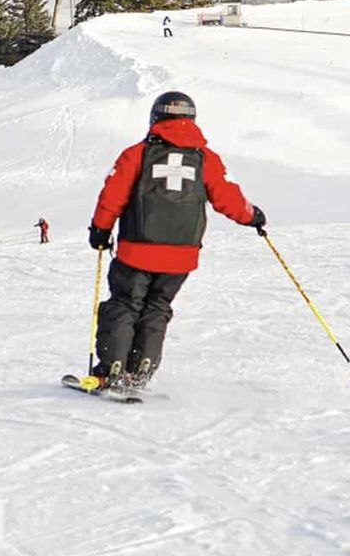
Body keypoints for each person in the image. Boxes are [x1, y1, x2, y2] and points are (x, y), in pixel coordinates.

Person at [87, 90, 264, 391]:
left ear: (156, 118)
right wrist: (252, 216)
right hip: (182, 254)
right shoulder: (205, 159)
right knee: (157, 307)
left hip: (137, 249)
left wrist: (100, 229)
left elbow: (112, 195)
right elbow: (227, 197)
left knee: (125, 305)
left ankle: (111, 369)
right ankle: (140, 371)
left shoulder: (136, 154)